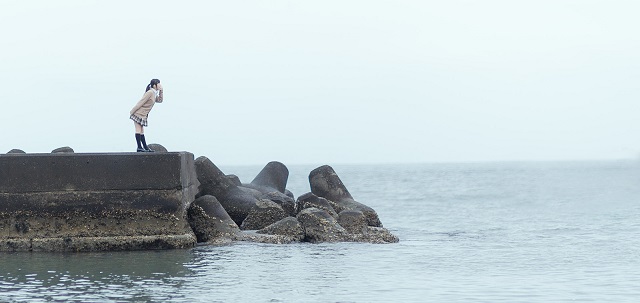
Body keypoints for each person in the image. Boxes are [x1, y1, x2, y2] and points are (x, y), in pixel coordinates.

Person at [130, 79, 163, 152]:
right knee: (139, 130)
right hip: (138, 113)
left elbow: (160, 100)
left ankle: (145, 147)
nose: (160, 85)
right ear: (154, 85)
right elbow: (141, 102)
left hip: (144, 115)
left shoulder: (154, 94)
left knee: (141, 131)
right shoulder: (150, 92)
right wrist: (132, 111)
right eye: (159, 84)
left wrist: (161, 91)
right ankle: (139, 147)